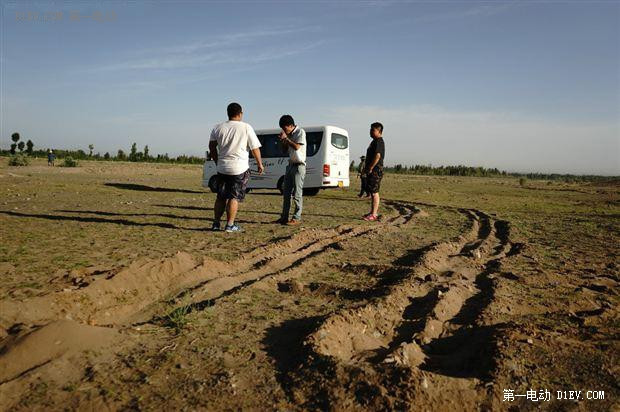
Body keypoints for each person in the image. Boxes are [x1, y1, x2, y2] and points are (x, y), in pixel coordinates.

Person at [209, 102, 264, 233]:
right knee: (234, 197)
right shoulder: (246, 127)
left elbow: (211, 146)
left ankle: (216, 223)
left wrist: (217, 160)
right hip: (239, 168)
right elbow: (254, 148)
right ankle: (230, 225)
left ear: (228, 114)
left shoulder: (218, 128)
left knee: (221, 196)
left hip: (222, 167)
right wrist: (259, 163)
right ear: (240, 114)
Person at [275, 115, 306, 225]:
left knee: (297, 193)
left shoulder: (300, 132)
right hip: (290, 165)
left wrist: (287, 139)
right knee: (286, 193)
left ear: (290, 125)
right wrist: (283, 141)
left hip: (299, 166)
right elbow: (284, 151)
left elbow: (297, 147)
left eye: (284, 128)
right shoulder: (288, 135)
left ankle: (296, 218)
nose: (284, 131)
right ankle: (284, 217)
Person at [362, 122, 385, 221]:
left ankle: (374, 214)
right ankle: (372, 212)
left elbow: (378, 156)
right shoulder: (374, 141)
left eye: (373, 130)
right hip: (372, 169)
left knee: (375, 192)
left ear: (379, 131)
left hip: (376, 170)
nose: (370, 132)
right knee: (372, 191)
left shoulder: (379, 141)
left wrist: (371, 167)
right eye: (370, 129)